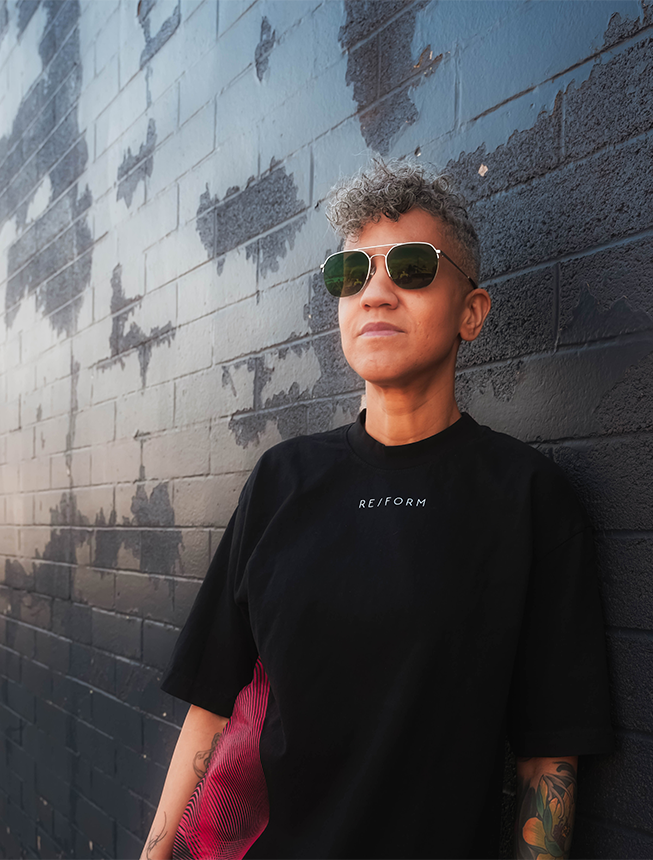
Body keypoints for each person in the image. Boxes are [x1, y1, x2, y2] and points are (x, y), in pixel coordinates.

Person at [141, 160, 613, 860]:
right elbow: (211, 706)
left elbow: (549, 759)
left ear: (472, 313)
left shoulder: (527, 498)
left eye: (412, 268)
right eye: (351, 273)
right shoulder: (281, 482)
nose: (376, 293)